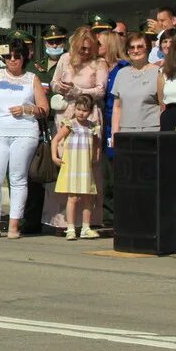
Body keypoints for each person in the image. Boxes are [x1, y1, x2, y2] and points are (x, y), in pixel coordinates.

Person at [0, 39, 48, 239]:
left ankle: (14, 224)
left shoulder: (32, 78)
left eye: (16, 56)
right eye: (8, 56)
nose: (12, 60)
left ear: (24, 58)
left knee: (17, 177)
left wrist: (26, 109)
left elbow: (44, 109)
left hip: (24, 131)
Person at [45, 26, 107, 232]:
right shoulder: (64, 59)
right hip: (66, 114)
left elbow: (100, 90)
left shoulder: (99, 63)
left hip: (88, 113)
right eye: (81, 48)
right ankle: (64, 220)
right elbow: (53, 82)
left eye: (89, 49)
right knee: (67, 163)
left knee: (88, 165)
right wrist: (59, 87)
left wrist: (78, 91)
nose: (85, 52)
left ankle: (89, 220)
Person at [25, 24, 68, 233]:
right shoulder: (35, 67)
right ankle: (32, 220)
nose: (55, 45)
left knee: (61, 171)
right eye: (51, 42)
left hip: (61, 122)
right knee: (36, 172)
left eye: (58, 41)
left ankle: (61, 221)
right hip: (40, 124)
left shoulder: (69, 64)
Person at [51, 93, 102, 240]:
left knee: (88, 197)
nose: (81, 112)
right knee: (72, 197)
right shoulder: (70, 124)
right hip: (72, 166)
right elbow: (56, 140)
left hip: (85, 167)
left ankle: (86, 227)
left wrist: (96, 154)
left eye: (85, 110)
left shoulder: (92, 127)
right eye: (79, 109)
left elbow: (97, 142)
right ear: (75, 109)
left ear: (90, 111)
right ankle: (71, 228)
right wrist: (55, 156)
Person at [97, 29, 127, 227]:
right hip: (101, 121)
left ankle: (119, 213)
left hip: (118, 120)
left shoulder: (124, 68)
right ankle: (106, 213)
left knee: (117, 169)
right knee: (105, 171)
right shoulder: (99, 67)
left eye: (100, 44)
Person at [110, 32, 161, 140]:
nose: (136, 50)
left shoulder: (158, 73)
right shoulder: (121, 73)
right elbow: (117, 107)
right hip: (125, 132)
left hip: (152, 132)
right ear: (127, 50)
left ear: (148, 48)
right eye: (132, 47)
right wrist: (114, 133)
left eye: (140, 46)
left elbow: (163, 106)